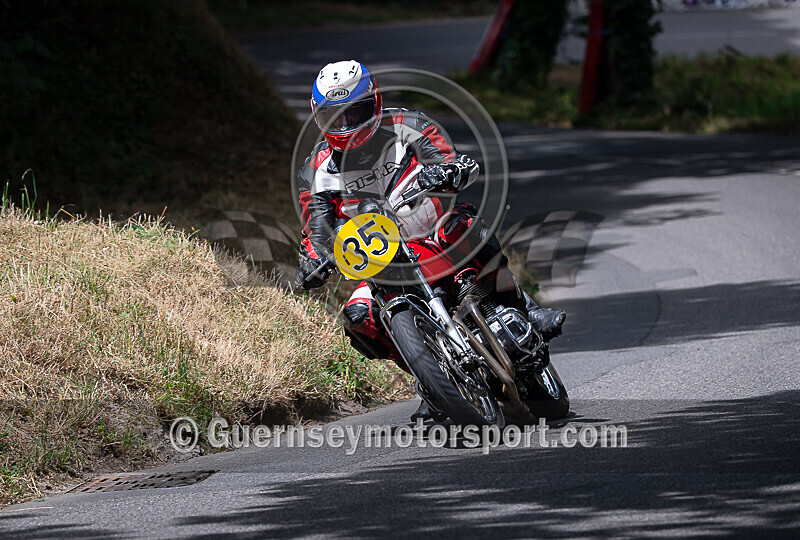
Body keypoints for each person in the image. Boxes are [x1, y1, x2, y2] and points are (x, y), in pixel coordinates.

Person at [294, 60, 565, 420]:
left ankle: (525, 309)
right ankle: (436, 379)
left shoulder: (409, 125)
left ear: (374, 103)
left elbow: (449, 158)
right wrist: (313, 258)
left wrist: (447, 171)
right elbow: (317, 225)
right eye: (335, 117)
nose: (345, 125)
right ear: (318, 116)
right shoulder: (315, 169)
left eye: (354, 113)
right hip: (378, 253)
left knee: (464, 226)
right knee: (359, 317)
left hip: (431, 224)